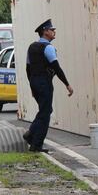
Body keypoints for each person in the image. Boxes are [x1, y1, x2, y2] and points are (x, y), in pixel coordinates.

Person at [23, 19, 73, 152]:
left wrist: (32, 87)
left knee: (45, 110)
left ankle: (31, 135)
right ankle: (36, 144)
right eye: (52, 30)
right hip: (44, 83)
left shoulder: (31, 47)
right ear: (45, 32)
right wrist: (67, 84)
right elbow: (57, 68)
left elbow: (28, 69)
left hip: (34, 81)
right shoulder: (48, 48)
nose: (54, 32)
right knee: (45, 114)